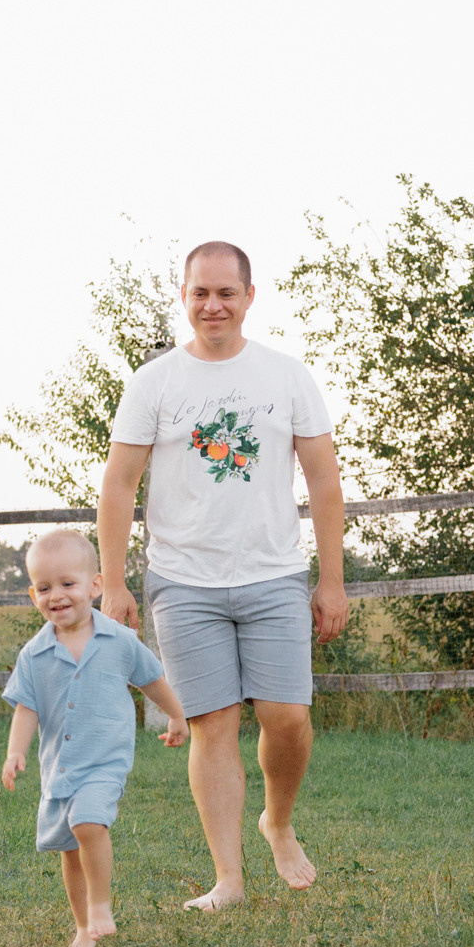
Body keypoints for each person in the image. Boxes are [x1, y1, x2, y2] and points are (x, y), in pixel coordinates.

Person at [97, 240, 349, 912]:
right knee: (211, 725)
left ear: (248, 298)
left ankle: (278, 820)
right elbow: (119, 486)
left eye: (225, 293)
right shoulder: (154, 383)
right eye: (200, 293)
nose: (213, 305)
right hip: (183, 580)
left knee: (287, 717)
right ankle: (229, 881)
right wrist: (114, 582)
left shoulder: (287, 377)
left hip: (274, 575)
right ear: (184, 297)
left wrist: (332, 581)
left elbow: (324, 483)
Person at [1, 529, 189, 947]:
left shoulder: (119, 640)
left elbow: (152, 679)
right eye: (45, 588)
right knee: (69, 849)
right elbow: (25, 708)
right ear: (34, 595)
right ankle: (84, 927)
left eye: (68, 584)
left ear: (95, 585)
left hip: (105, 761)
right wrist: (16, 751)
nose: (57, 595)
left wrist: (177, 715)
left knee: (87, 823)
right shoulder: (34, 654)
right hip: (59, 768)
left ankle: (102, 907)